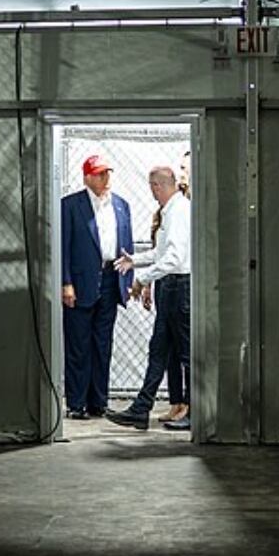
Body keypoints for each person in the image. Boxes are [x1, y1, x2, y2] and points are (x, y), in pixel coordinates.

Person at [106, 163, 191, 431]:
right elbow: (162, 253)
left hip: (179, 287)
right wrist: (136, 261)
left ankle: (195, 412)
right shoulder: (172, 211)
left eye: (153, 186)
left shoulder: (178, 212)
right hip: (172, 288)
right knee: (159, 351)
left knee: (186, 354)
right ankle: (141, 410)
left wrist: (143, 277)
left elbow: (174, 259)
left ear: (158, 186)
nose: (152, 192)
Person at [59, 154, 134, 420]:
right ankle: (76, 403)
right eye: (100, 174)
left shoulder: (121, 205)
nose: (105, 179)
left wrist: (128, 281)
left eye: (107, 173)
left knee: (103, 343)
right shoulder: (70, 205)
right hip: (80, 283)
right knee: (79, 344)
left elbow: (128, 246)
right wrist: (65, 282)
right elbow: (63, 247)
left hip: (110, 279)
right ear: (87, 177)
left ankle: (98, 401)